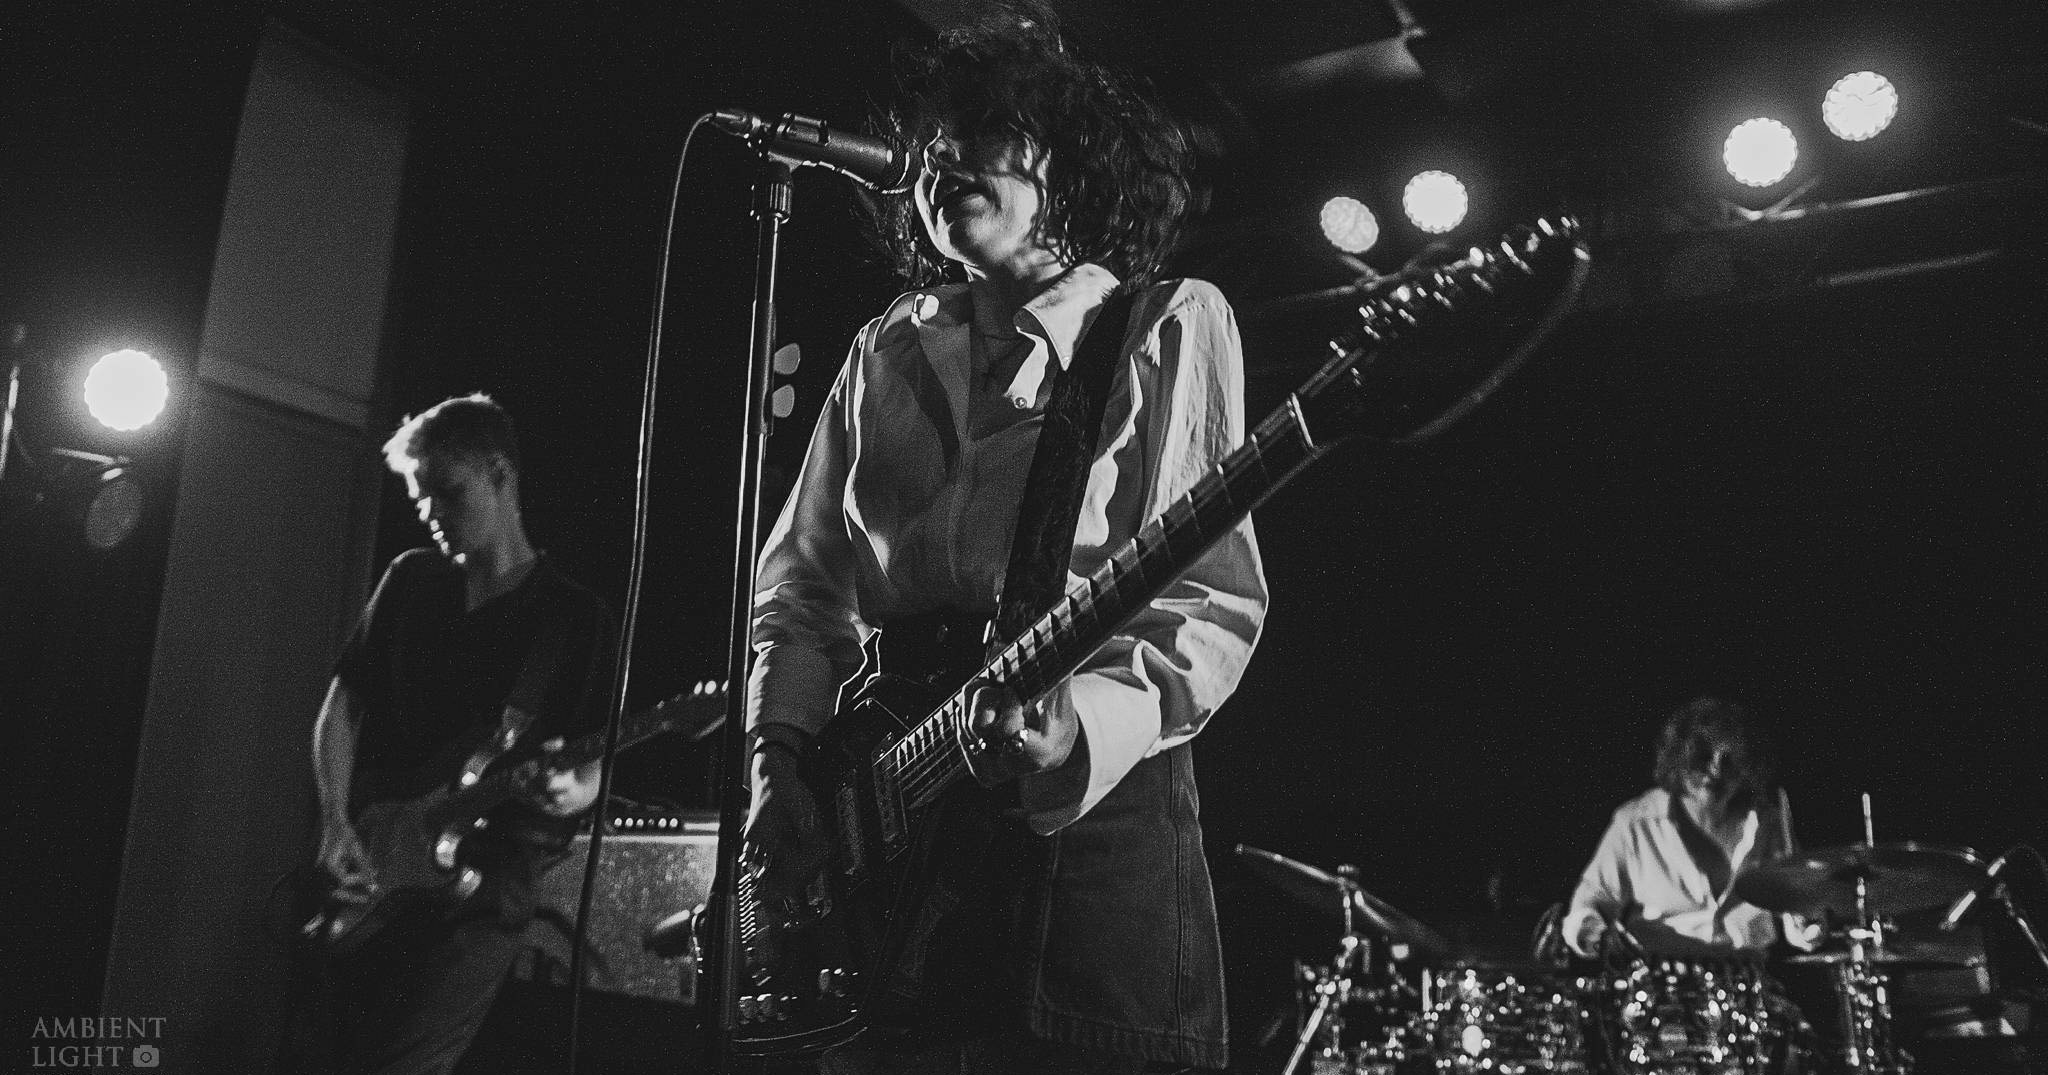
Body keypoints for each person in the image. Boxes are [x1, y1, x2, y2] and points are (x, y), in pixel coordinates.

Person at [740, 7, 1268, 1073]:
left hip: (1084, 857)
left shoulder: (1165, 323)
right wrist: (778, 760)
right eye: (931, 140)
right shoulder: (886, 347)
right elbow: (803, 591)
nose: (942, 158)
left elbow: (1209, 605)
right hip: (892, 849)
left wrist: (1077, 726)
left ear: (1069, 159)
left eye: (982, 129)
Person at [298, 393, 618, 1075]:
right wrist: (333, 822)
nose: (432, 514)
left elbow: (593, 766)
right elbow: (341, 707)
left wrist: (575, 788)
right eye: (421, 499)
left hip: (486, 887)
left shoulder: (573, 617)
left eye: (448, 492)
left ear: (501, 474)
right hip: (374, 863)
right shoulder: (410, 579)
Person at [1564, 695, 1816, 958]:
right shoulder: (1635, 823)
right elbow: (1591, 901)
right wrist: (1595, 935)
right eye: (1703, 757)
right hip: (1662, 974)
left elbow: (1798, 916)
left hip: (1750, 974)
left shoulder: (1770, 824)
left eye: (1730, 760)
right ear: (1678, 759)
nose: (1716, 770)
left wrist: (1810, 927)